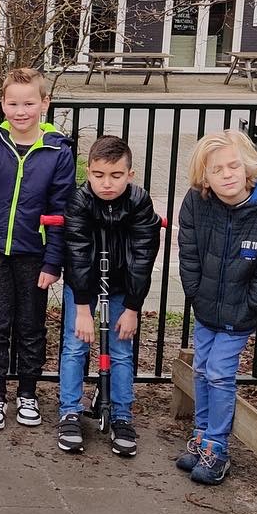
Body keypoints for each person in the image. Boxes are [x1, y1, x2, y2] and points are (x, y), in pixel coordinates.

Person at [0, 67, 75, 431]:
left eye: (29, 103)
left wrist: (53, 261)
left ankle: (27, 393)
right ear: (2, 105)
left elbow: (61, 213)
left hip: (34, 256)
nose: (21, 110)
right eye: (13, 103)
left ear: (44, 103)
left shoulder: (58, 152)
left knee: (30, 326)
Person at [177, 129, 257, 485]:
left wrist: (250, 308)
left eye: (233, 166)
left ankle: (217, 448)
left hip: (240, 312)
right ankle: (200, 438)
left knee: (219, 372)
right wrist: (196, 292)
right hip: (207, 305)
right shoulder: (197, 202)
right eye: (217, 170)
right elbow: (189, 251)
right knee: (200, 368)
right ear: (205, 177)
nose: (227, 174)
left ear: (248, 168)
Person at [56, 135, 162, 457]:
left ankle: (122, 415)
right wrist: (84, 310)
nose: (107, 183)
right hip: (84, 288)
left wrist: (132, 308)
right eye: (99, 175)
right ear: (88, 172)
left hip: (121, 288)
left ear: (130, 174)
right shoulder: (79, 201)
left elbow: (144, 256)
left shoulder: (140, 203)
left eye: (116, 176)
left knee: (120, 349)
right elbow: (75, 254)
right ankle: (69, 411)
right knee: (75, 346)